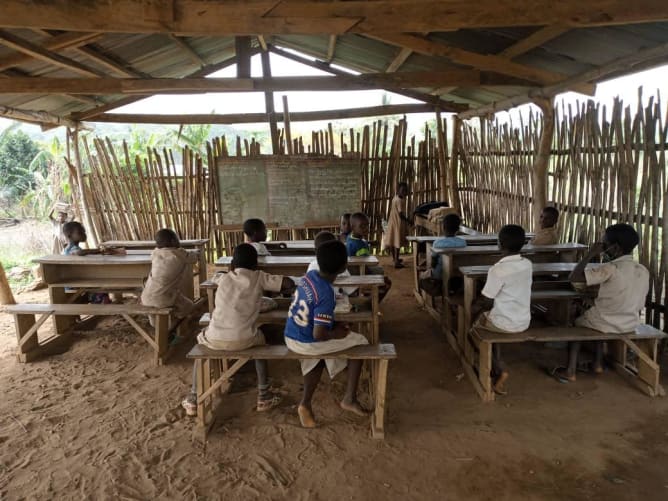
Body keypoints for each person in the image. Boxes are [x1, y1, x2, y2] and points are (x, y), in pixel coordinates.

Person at [182, 243, 295, 416]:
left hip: (214, 339)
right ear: (256, 265)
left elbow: (215, 277)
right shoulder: (258, 277)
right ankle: (264, 394)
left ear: (233, 265)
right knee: (261, 343)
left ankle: (193, 397)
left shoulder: (224, 278)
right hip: (245, 339)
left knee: (201, 346)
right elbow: (287, 282)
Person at [284, 240, 369, 428]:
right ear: (344, 267)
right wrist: (335, 333)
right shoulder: (327, 294)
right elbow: (318, 334)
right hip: (307, 341)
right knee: (361, 342)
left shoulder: (309, 277)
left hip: (291, 334)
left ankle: (305, 404)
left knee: (319, 356)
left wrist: (333, 324)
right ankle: (349, 398)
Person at [552, 223, 649, 383]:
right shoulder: (642, 270)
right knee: (595, 314)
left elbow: (574, 277)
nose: (602, 248)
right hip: (630, 323)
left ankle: (570, 371)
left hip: (606, 322)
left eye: (604, 244)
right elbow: (635, 303)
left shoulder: (611, 268)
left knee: (578, 322)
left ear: (616, 248)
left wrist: (590, 254)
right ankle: (597, 364)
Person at [472, 225, 532, 395]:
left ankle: (498, 367)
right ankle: (497, 358)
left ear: (499, 244)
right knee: (491, 322)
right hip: (523, 321)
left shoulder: (497, 270)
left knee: (474, 330)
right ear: (524, 243)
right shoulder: (527, 264)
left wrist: (472, 309)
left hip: (503, 322)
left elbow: (486, 301)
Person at [140, 229, 197, 331]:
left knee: (156, 311)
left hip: (145, 298)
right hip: (164, 298)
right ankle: (173, 327)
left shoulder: (155, 253)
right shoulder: (180, 254)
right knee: (189, 306)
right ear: (172, 241)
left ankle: (158, 327)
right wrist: (195, 252)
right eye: (177, 238)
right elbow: (193, 258)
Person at [346, 212, 392, 299]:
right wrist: (374, 277)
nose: (366, 228)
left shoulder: (351, 237)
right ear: (353, 227)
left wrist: (370, 242)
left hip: (356, 268)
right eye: (362, 226)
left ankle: (368, 295)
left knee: (379, 269)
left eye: (367, 225)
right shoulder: (359, 246)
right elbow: (362, 265)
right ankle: (372, 303)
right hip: (359, 272)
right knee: (386, 281)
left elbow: (361, 243)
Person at [308, 231, 357, 298]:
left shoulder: (312, 265)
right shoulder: (339, 264)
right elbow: (352, 292)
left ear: (316, 251)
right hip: (336, 302)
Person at [382, 182, 412, 268]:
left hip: (392, 221)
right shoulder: (399, 200)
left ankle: (395, 259)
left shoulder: (396, 198)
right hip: (397, 222)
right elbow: (400, 214)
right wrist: (408, 220)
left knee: (392, 240)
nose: (404, 192)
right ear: (398, 190)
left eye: (405, 190)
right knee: (397, 241)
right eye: (402, 190)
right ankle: (396, 262)